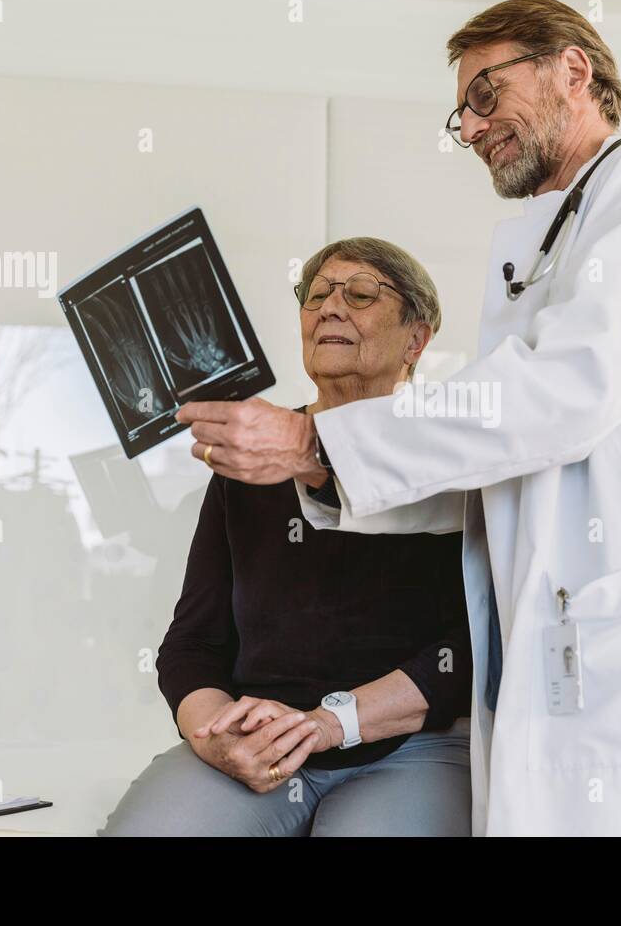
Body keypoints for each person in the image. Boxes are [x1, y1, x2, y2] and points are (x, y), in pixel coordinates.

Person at [176, 0, 621, 836]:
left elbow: (565, 395)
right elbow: (507, 466)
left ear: (574, 69)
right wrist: (318, 465)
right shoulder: (548, 242)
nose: (470, 128)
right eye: (462, 112)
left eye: (485, 95)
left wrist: (317, 440)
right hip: (564, 659)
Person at [100, 237, 472, 836]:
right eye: (316, 294)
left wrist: (329, 723)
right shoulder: (249, 468)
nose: (329, 306)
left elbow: (477, 644)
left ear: (416, 339)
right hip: (259, 744)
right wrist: (219, 735)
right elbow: (192, 643)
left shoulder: (454, 459)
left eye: (359, 293)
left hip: (409, 747)